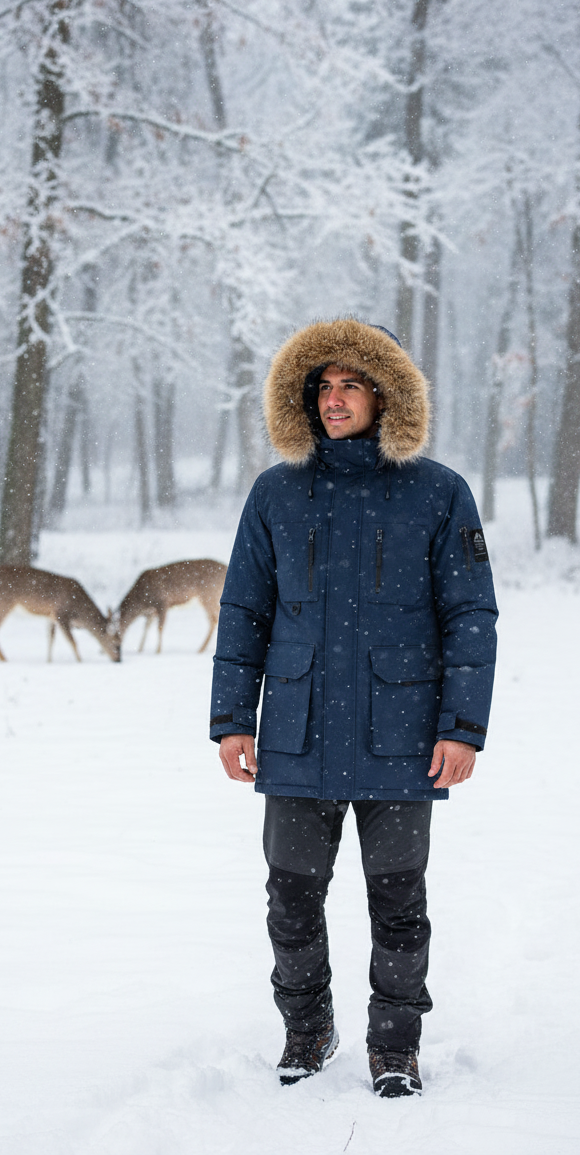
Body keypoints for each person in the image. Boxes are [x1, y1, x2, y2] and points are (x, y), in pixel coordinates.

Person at [209, 319, 497, 1097]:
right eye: (323, 386)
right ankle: (308, 1027)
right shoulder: (275, 492)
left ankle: (394, 1046)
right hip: (297, 733)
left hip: (403, 736)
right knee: (291, 896)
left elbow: (470, 615)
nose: (334, 400)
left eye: (351, 385)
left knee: (398, 900)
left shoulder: (439, 492)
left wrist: (462, 728)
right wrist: (234, 718)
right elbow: (245, 611)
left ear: (385, 394)